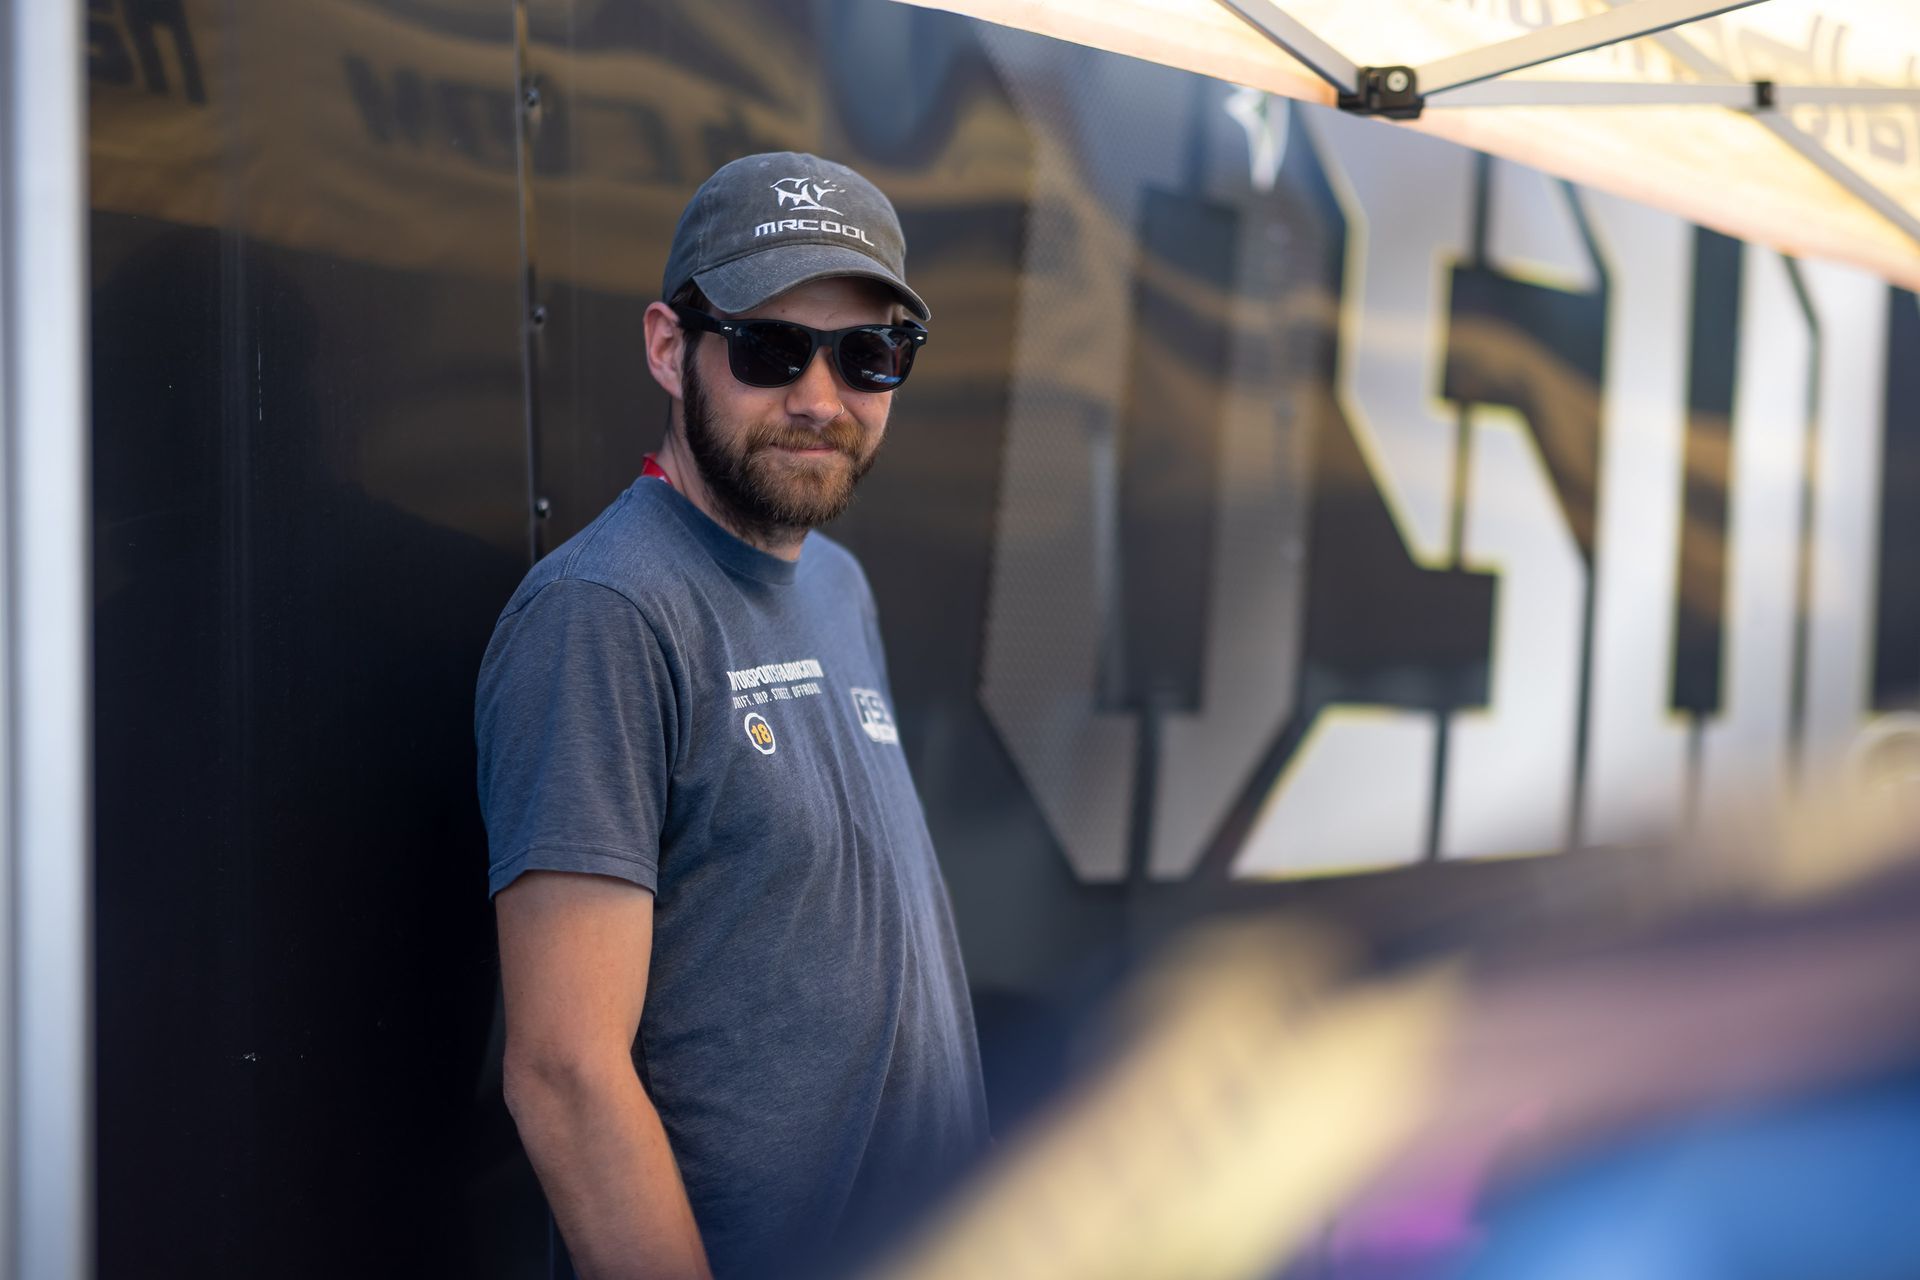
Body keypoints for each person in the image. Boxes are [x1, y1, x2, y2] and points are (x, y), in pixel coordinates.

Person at [475, 153, 990, 1279]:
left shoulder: (838, 584)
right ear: (671, 347)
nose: (820, 397)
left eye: (867, 355)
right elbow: (562, 1070)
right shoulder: (602, 611)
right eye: (769, 346)